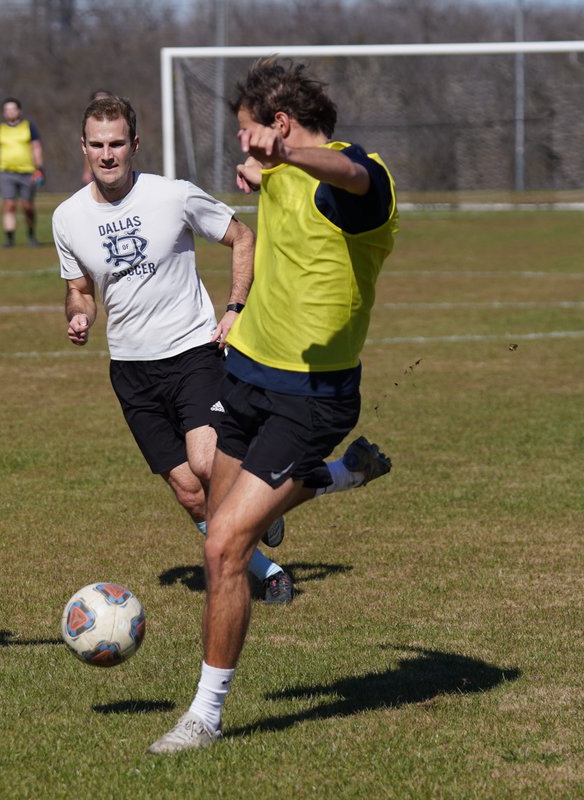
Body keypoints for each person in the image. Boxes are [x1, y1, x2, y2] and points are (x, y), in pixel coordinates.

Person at [147, 57, 396, 755]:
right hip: (247, 375)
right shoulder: (279, 170)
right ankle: (342, 476)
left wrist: (283, 156)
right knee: (214, 522)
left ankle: (204, 716)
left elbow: (355, 179)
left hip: (310, 399)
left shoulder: (355, 179)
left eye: (248, 132)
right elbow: (271, 185)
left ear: (281, 125)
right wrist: (263, 171)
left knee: (228, 544)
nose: (244, 146)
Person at [53, 94, 293, 608]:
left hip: (192, 352)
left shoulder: (174, 195)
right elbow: (80, 290)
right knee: (189, 492)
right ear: (84, 148)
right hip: (130, 369)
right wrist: (79, 316)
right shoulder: (67, 217)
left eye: (117, 143)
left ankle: (261, 507)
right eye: (97, 145)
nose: (108, 154)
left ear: (135, 144)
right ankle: (268, 569)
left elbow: (243, 236)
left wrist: (235, 307)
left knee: (208, 464)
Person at [0, 97, 44, 247]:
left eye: (13, 108)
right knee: (9, 205)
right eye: (7, 109)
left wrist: (39, 168)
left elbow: (36, 147)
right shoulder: (0, 129)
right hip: (6, 172)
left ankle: (31, 234)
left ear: (19, 111)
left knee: (27, 206)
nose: (10, 112)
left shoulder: (28, 126)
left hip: (27, 172)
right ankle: (9, 238)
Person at [81, 90, 113, 185]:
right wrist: (87, 171)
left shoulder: (121, 123)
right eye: (98, 102)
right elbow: (88, 150)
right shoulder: (89, 124)